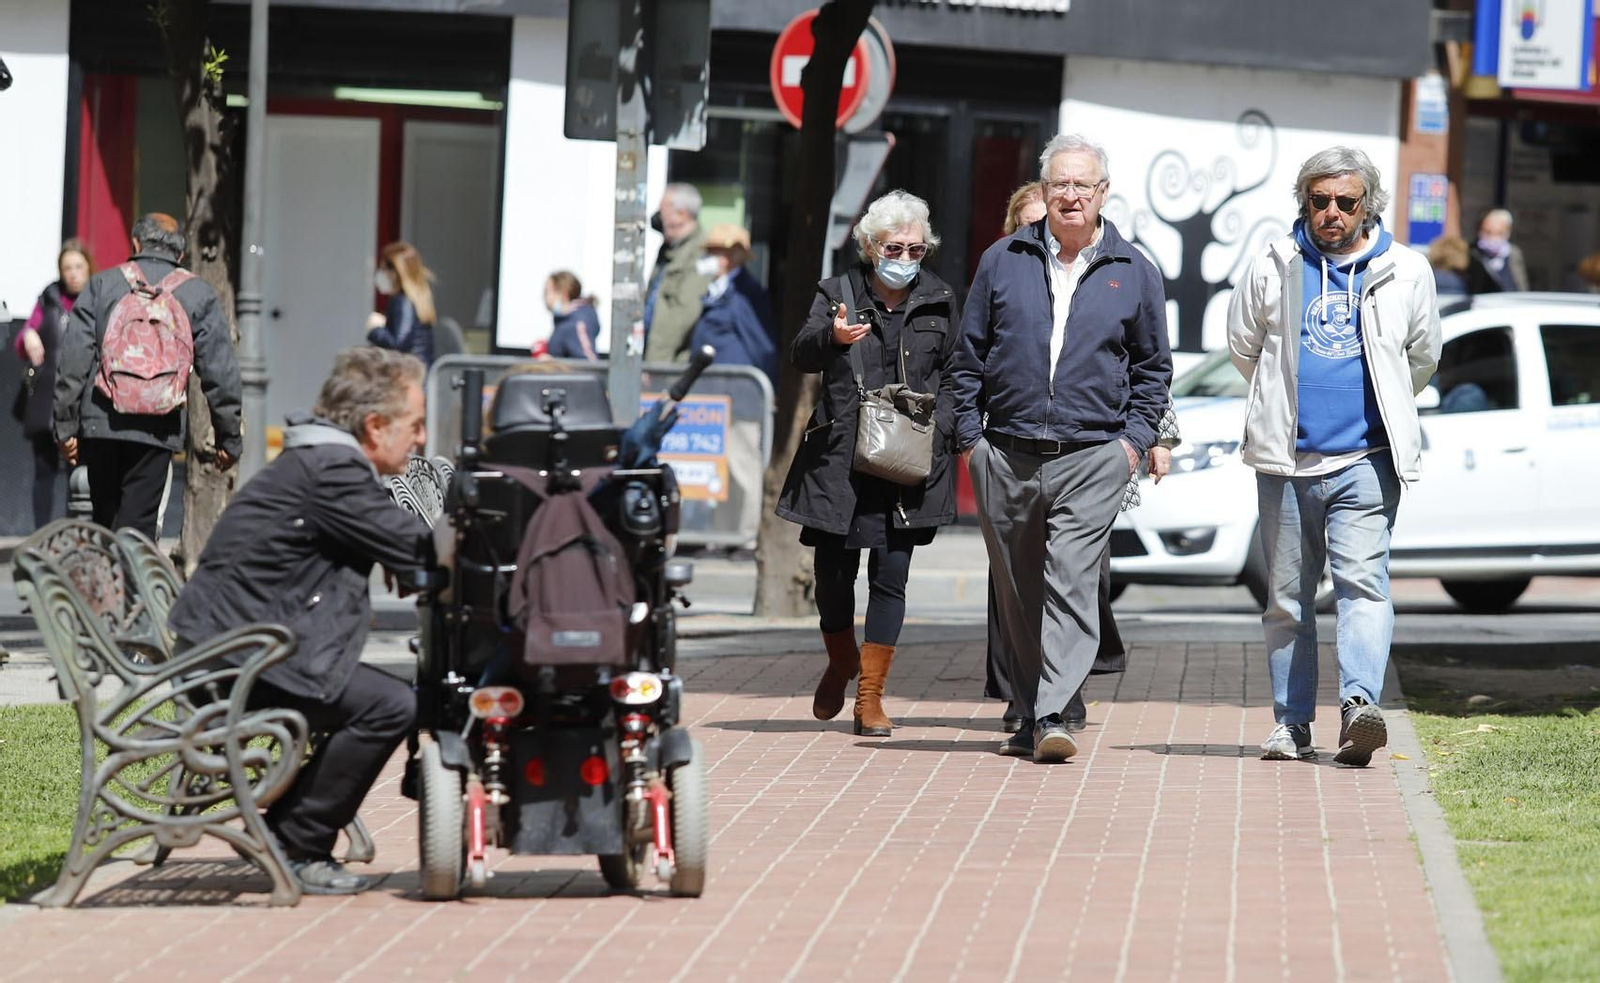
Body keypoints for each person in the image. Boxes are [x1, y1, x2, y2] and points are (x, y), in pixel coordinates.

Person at [167, 346, 433, 895]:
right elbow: (417, 544)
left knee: (389, 698)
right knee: (393, 704)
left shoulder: (322, 465)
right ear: (375, 426)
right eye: (416, 425)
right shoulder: (333, 472)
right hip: (239, 661)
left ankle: (290, 827)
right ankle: (298, 841)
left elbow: (390, 542)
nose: (422, 440)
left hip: (233, 647)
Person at [951, 133, 1173, 763]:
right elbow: (968, 358)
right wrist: (972, 441)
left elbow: (1154, 370)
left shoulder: (1135, 272)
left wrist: (1132, 445)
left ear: (1103, 194)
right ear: (1044, 193)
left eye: (1084, 185)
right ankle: (1026, 709)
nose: (1072, 196)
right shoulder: (1003, 260)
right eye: (1060, 185)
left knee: (1071, 582)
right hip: (1006, 452)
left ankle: (1054, 712)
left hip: (1093, 455)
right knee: (1018, 592)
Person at [1226, 146, 1441, 766]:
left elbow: (1421, 359)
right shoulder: (1275, 263)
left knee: (1363, 587)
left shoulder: (1406, 270)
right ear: (1304, 203)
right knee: (1287, 601)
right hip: (1288, 464)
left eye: (1346, 202)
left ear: (1366, 205)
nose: (1332, 213)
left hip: (1367, 462)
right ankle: (1292, 725)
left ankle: (1357, 707)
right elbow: (1245, 347)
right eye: (1319, 201)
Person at [777, 190, 961, 738]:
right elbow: (800, 353)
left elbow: (957, 373)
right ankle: (840, 658)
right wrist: (831, 339)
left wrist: (943, 429)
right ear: (869, 245)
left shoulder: (940, 298)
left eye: (915, 248)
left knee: (891, 577)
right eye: (893, 247)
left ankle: (870, 698)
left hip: (907, 459)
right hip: (840, 458)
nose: (904, 258)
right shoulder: (836, 293)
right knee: (832, 578)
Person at [53, 213, 241, 540]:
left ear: (136, 244)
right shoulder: (198, 294)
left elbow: (73, 359)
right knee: (137, 527)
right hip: (158, 425)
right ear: (180, 254)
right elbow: (219, 371)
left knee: (104, 521)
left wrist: (65, 426)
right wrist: (228, 436)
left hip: (102, 421)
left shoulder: (102, 285)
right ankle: (129, 584)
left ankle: (106, 585)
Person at [13, 239, 91, 529]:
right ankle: (43, 536)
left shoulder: (96, 297)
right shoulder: (48, 298)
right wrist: (28, 336)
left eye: (78, 267)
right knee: (44, 472)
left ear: (88, 269)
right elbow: (24, 337)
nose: (72, 273)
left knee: (79, 472)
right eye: (67, 267)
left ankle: (77, 533)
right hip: (46, 400)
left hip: (83, 400)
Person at [688, 224, 777, 383]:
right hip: (709, 386)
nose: (708, 257)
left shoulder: (745, 294)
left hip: (731, 388)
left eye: (715, 251)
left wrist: (767, 386)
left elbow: (762, 346)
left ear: (731, 256)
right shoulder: (715, 289)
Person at [642, 183, 715, 364]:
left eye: (663, 210)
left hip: (668, 363)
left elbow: (683, 313)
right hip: (648, 354)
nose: (658, 217)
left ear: (682, 214)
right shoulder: (669, 249)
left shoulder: (700, 252)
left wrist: (654, 364)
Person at [367, 241, 437, 366]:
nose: (380, 273)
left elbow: (399, 344)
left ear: (395, 272)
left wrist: (376, 329)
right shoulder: (414, 299)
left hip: (409, 375)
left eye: (383, 268)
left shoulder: (403, 301)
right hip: (417, 372)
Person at [543, 271, 601, 361]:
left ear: (563, 293)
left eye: (547, 292)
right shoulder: (564, 321)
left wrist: (553, 363)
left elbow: (589, 364)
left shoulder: (577, 324)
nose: (544, 297)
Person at [1467, 208, 1528, 294]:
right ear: (1479, 230)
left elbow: (1522, 285)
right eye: (1488, 232)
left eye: (1499, 233)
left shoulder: (1514, 253)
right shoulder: (1472, 253)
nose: (1493, 238)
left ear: (1508, 232)